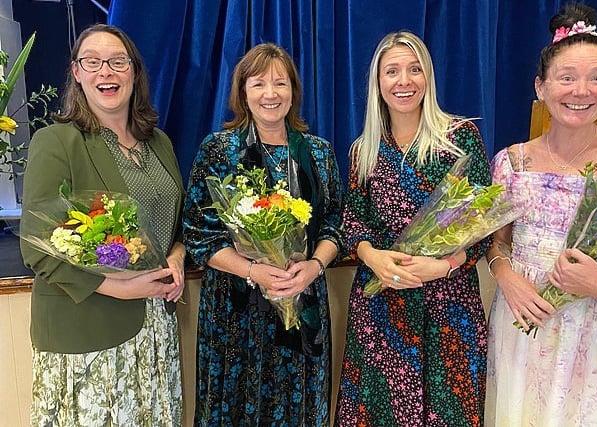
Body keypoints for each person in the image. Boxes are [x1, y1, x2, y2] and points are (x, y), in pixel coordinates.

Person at [20, 24, 185, 426]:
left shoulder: (158, 142)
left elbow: (173, 226)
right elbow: (36, 245)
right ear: (77, 73)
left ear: (134, 72)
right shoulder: (57, 141)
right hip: (87, 333)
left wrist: (177, 257)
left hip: (155, 327)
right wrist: (121, 288)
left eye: (116, 62)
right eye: (92, 62)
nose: (105, 72)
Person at [484, 4, 597, 425]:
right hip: (524, 314)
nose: (581, 91)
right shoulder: (511, 162)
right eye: (567, 78)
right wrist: (506, 276)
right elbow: (497, 242)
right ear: (541, 86)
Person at [334, 31, 491, 427]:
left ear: (428, 77)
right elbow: (353, 221)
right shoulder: (363, 149)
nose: (404, 81)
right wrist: (372, 257)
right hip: (382, 305)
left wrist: (446, 265)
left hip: (448, 307)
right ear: (378, 82)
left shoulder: (459, 138)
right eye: (392, 71)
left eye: (414, 69)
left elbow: (482, 223)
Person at [182, 43, 344, 426]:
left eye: (280, 83)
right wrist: (253, 270)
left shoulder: (318, 153)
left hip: (302, 302)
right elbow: (198, 234)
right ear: (242, 92)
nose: (270, 94)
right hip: (237, 312)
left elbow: (336, 224)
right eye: (258, 84)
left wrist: (315, 266)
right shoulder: (220, 150)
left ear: (294, 92)